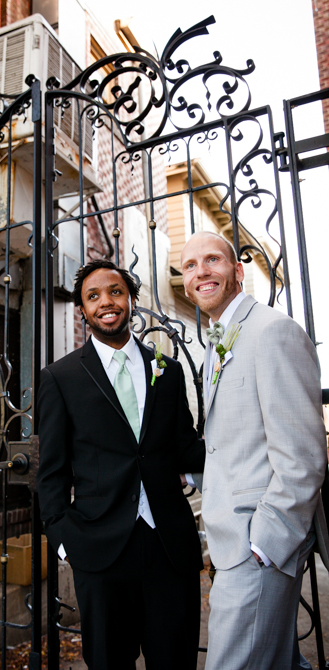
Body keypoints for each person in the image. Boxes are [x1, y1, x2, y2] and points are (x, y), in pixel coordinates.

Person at [37, 259, 205, 670]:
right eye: (92, 296)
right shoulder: (60, 378)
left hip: (170, 546)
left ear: (131, 299)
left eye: (115, 291)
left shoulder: (167, 371)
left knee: (176, 661)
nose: (105, 302)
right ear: (82, 310)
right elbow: (52, 471)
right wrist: (63, 541)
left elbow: (186, 448)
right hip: (99, 550)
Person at [180, 230, 329, 670]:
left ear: (238, 271)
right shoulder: (220, 341)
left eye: (212, 260)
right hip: (235, 543)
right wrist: (191, 473)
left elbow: (304, 456)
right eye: (190, 265)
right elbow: (237, 439)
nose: (201, 272)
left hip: (256, 546)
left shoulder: (272, 332)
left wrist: (266, 541)